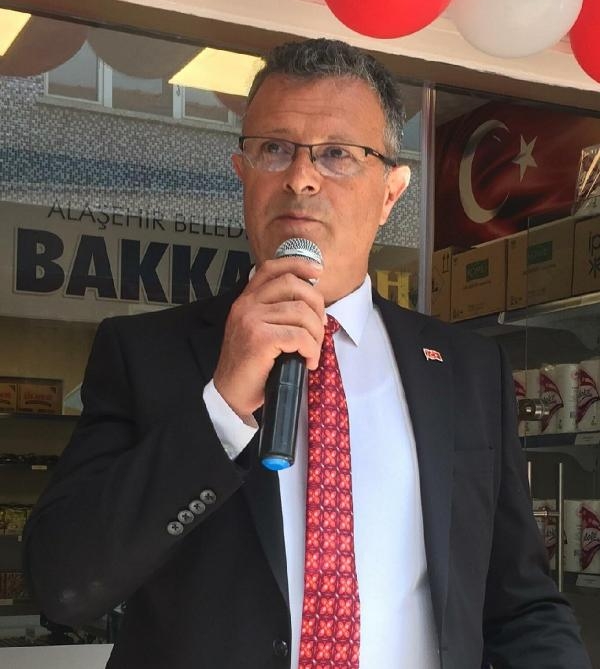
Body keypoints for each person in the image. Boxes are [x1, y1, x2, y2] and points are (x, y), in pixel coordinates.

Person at [23, 38, 590, 669]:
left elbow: (519, 603)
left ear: (391, 192)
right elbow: (63, 586)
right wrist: (222, 409)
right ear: (243, 174)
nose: (301, 177)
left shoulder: (467, 370)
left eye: (338, 154)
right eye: (274, 149)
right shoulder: (145, 354)